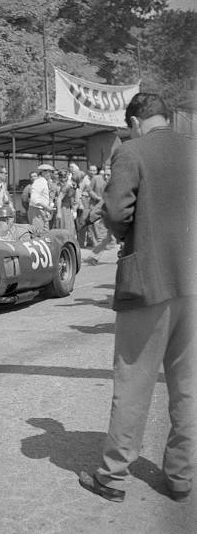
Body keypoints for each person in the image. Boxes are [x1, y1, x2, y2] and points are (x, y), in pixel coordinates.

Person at [79, 92, 197, 504]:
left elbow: (115, 212)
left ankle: (113, 478)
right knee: (187, 386)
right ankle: (181, 478)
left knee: (133, 380)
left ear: (134, 122)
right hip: (193, 283)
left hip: (147, 282)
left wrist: (130, 235)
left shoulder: (131, 151)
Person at [28, 163, 54, 233]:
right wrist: (47, 207)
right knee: (38, 235)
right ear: (43, 172)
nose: (50, 174)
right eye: (48, 172)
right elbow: (34, 199)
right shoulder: (40, 182)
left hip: (41, 210)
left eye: (50, 172)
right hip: (37, 211)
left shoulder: (44, 181)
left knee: (44, 234)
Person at [54, 169, 77, 238]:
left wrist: (74, 209)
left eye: (64, 177)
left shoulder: (70, 185)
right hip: (60, 207)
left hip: (66, 207)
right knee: (62, 225)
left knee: (67, 226)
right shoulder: (57, 185)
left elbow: (73, 198)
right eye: (61, 177)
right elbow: (58, 198)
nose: (63, 178)